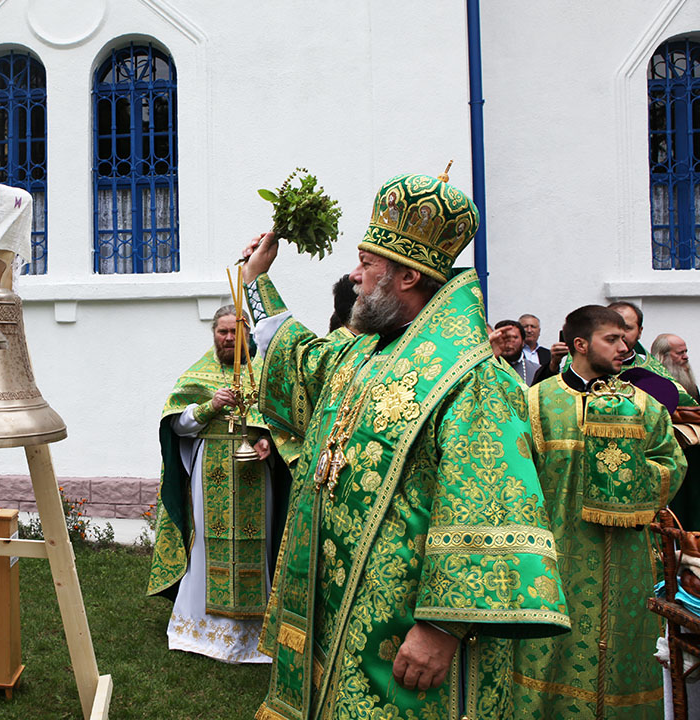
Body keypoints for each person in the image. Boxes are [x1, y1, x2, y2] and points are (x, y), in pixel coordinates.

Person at [243, 171, 569, 720]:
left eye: (366, 264)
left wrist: (440, 628)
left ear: (408, 276)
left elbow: (491, 503)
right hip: (338, 597)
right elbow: (298, 361)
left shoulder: (473, 378)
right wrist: (255, 280)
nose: (354, 276)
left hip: (406, 622)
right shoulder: (363, 352)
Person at [511, 305, 686, 719]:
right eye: (612, 339)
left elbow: (672, 465)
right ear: (581, 344)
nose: (624, 347)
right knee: (549, 659)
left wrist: (630, 481)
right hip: (556, 561)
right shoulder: (535, 402)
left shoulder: (644, 405)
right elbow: (516, 479)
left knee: (626, 660)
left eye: (626, 338)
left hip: (627, 561)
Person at [147, 306, 292, 663]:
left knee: (258, 542)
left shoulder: (264, 373)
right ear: (214, 334)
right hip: (209, 470)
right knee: (206, 545)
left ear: (247, 334)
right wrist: (209, 406)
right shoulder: (198, 373)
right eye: (222, 332)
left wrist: (267, 442)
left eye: (235, 331)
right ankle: (201, 628)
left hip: (256, 472)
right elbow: (177, 424)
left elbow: (281, 421)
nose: (229, 338)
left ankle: (254, 632)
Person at [607, 301, 697, 407]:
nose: (621, 334)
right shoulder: (591, 368)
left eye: (627, 328)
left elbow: (687, 407)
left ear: (639, 332)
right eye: (613, 327)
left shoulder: (653, 370)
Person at [652, 332, 699, 400]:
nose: (686, 357)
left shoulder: (691, 387)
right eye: (680, 353)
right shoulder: (650, 386)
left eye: (685, 352)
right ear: (663, 356)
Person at [493, 318, 538, 384]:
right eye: (504, 338)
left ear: (523, 342)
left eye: (514, 337)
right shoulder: (487, 368)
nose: (508, 343)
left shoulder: (536, 370)